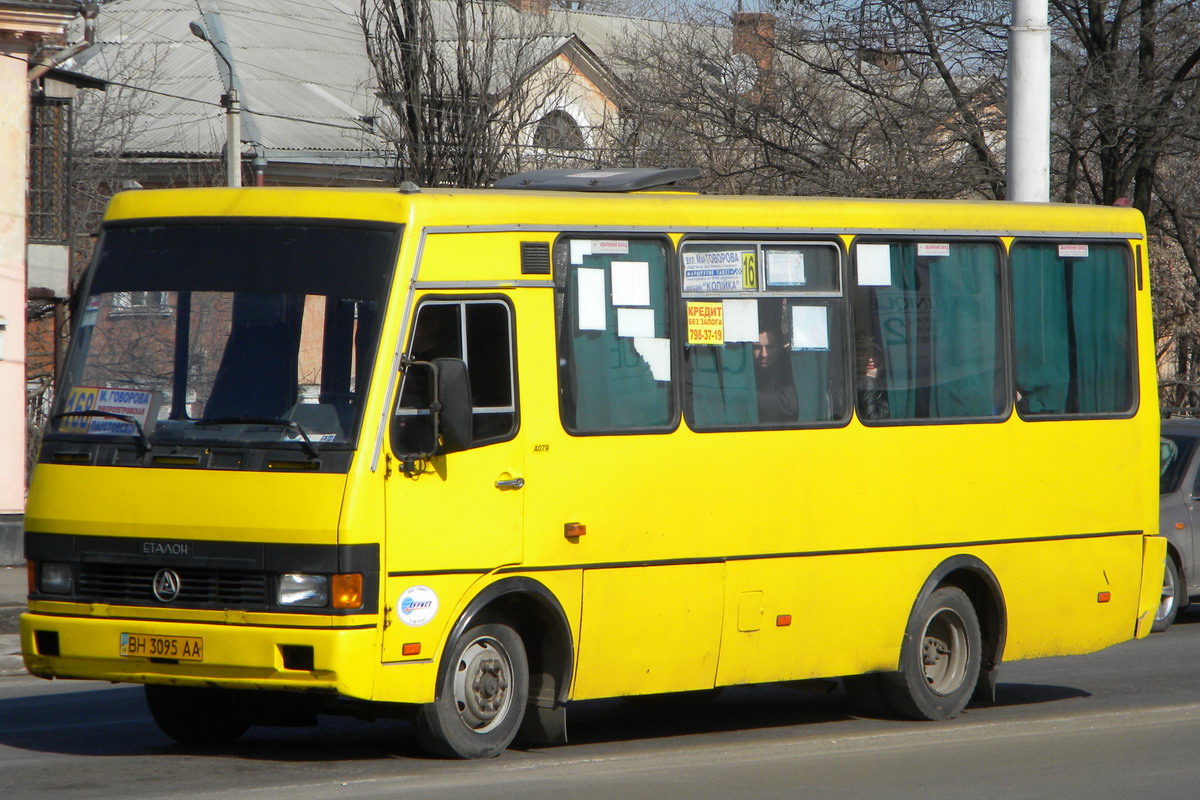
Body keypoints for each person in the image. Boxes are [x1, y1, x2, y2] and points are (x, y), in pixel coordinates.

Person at [752, 326, 798, 423]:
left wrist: (748, 396)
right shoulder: (746, 371)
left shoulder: (788, 367)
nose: (764, 354)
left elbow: (789, 405)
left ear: (779, 347)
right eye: (757, 348)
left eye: (769, 347)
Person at [856, 339, 890, 420]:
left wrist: (869, 380)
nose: (870, 359)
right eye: (865, 354)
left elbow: (873, 418)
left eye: (874, 355)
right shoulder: (849, 387)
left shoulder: (887, 387)